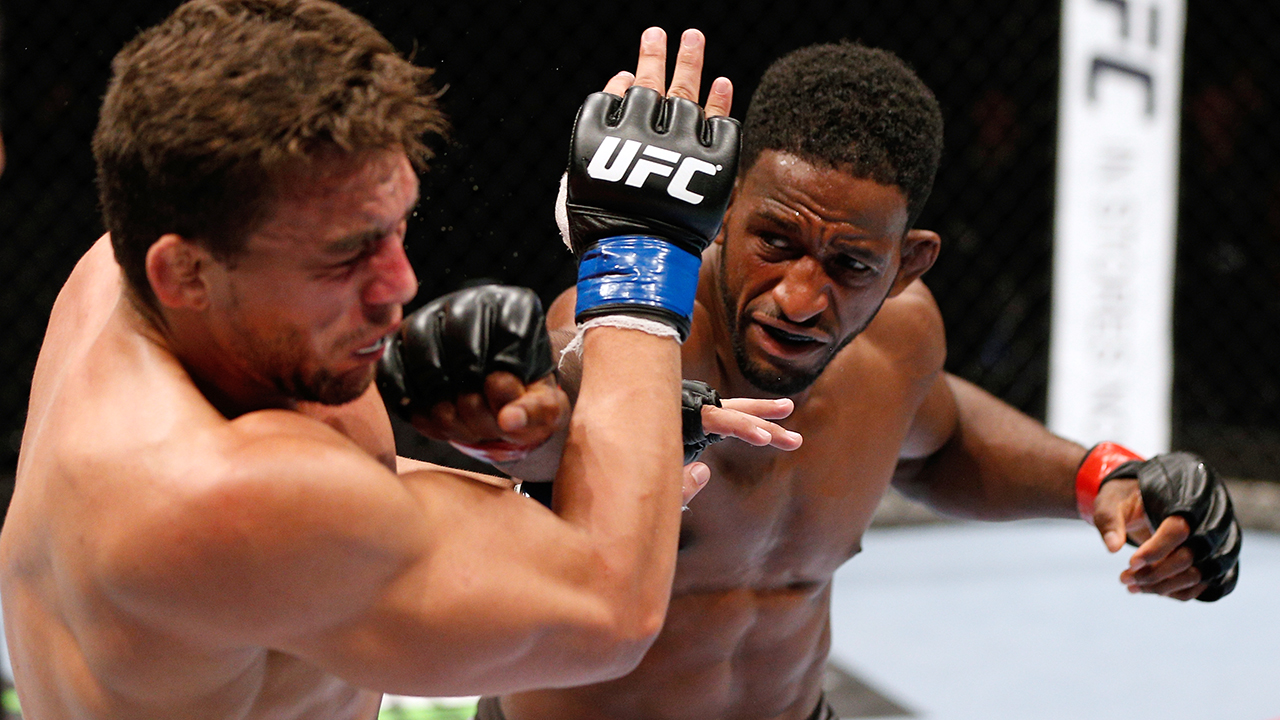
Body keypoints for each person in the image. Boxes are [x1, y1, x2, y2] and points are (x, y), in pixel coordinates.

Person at [0, 2, 799, 718]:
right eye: (346, 253)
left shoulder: (130, 271)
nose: (401, 285)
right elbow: (608, 615)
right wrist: (637, 261)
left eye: (395, 226)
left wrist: (592, 443)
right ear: (184, 273)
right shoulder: (212, 492)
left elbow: (344, 492)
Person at [435, 41, 1241, 720]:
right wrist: (577, 407)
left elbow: (939, 440)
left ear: (906, 266)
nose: (800, 299)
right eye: (775, 242)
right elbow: (542, 419)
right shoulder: (633, 333)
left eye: (850, 265)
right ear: (722, 212)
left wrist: (1103, 478)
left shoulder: (896, 343)